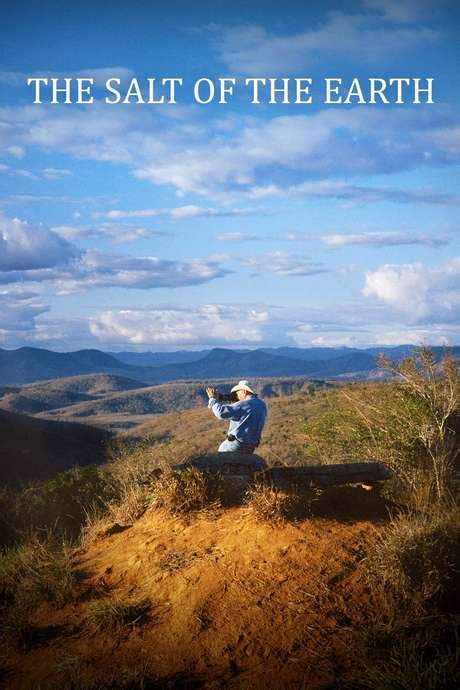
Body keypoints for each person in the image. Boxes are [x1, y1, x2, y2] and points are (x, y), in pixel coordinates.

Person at [206, 380, 267, 454]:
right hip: (251, 447)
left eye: (237, 392)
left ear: (244, 391)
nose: (236, 395)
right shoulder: (262, 404)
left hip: (236, 444)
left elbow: (220, 413)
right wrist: (222, 397)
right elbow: (241, 409)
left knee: (219, 459)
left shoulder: (245, 404)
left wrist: (213, 399)